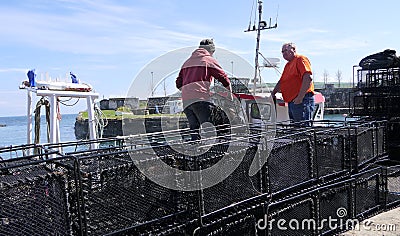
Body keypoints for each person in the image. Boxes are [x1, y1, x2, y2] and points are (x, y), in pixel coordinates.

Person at [176, 39, 232, 141]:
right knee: (209, 128)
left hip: (186, 101)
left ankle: (196, 149)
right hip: (200, 100)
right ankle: (214, 153)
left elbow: (178, 84)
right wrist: (230, 93)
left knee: (194, 129)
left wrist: (189, 91)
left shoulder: (187, 62)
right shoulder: (208, 60)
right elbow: (223, 78)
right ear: (211, 51)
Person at [271, 42, 315, 126]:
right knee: (295, 128)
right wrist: (273, 93)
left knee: (302, 129)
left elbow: (308, 78)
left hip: (302, 101)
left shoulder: (300, 59)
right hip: (292, 102)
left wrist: (300, 97)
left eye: (286, 50)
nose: (284, 53)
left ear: (294, 50)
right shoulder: (288, 65)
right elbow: (282, 81)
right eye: (282, 52)